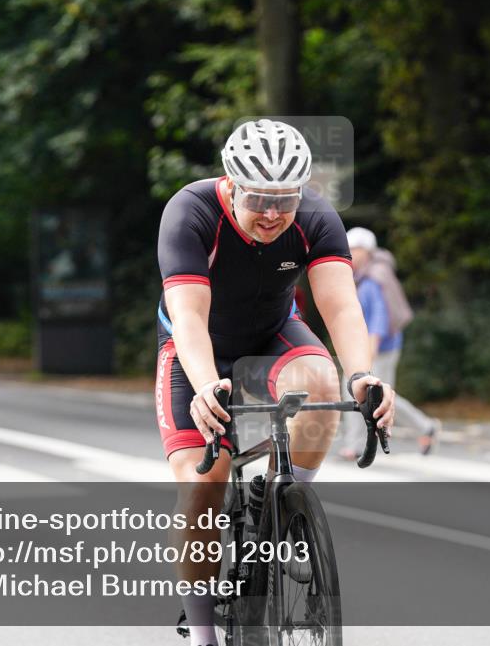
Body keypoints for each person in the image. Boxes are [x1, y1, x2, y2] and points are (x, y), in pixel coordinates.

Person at [156, 119, 395, 646]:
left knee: (321, 377)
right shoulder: (192, 211)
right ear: (231, 183)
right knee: (204, 482)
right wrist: (204, 386)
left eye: (284, 200)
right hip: (197, 347)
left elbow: (340, 306)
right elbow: (190, 317)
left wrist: (363, 376)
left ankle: (288, 508)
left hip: (271, 333)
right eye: (259, 198)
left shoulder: (314, 217)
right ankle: (201, 631)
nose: (271, 213)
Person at [337, 227, 439, 460]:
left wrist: (367, 356)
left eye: (354, 249)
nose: (350, 254)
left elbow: (379, 321)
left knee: (362, 392)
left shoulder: (373, 278)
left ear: (366, 251)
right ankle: (424, 427)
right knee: (376, 395)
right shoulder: (369, 273)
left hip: (378, 348)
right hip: (379, 347)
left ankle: (354, 446)